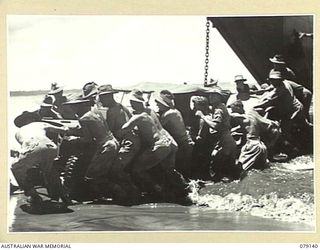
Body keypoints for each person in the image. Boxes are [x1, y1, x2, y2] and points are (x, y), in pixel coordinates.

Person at [119, 90, 189, 202]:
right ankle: (187, 190)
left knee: (137, 169)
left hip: (159, 146)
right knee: (169, 170)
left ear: (133, 103)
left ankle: (158, 191)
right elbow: (160, 128)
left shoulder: (138, 116)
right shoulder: (150, 112)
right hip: (170, 143)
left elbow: (122, 130)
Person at [62, 99, 123, 201]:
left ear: (78, 107)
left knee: (92, 175)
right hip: (112, 141)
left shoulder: (84, 118)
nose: (71, 109)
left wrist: (73, 139)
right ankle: (104, 193)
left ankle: (115, 192)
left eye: (73, 106)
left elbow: (88, 139)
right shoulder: (95, 111)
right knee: (102, 172)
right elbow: (98, 128)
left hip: (105, 146)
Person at [11, 112, 71, 209]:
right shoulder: (41, 124)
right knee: (48, 170)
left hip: (33, 147)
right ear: (33, 119)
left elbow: (25, 147)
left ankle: (33, 195)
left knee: (15, 168)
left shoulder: (18, 132)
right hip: (50, 147)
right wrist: (68, 129)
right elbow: (64, 130)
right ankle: (62, 195)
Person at [97, 84, 141, 203]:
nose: (100, 101)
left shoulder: (113, 111)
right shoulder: (121, 107)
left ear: (109, 97)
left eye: (101, 98)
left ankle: (132, 194)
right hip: (131, 141)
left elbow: (111, 131)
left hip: (128, 143)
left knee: (115, 169)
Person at [254, 70, 306, 157]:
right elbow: (271, 88)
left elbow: (267, 101)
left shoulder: (281, 89)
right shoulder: (282, 83)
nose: (272, 81)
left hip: (293, 111)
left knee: (285, 131)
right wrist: (260, 91)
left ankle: (292, 151)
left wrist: (254, 107)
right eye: (271, 80)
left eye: (274, 80)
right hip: (292, 108)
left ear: (279, 80)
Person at [195, 87, 239, 181]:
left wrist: (202, 116)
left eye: (214, 95)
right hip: (227, 141)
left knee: (218, 168)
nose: (211, 97)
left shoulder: (219, 109)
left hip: (226, 143)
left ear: (219, 98)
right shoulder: (220, 106)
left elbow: (215, 126)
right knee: (227, 168)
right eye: (210, 95)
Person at [155, 90, 194, 178]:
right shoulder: (175, 111)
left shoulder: (169, 114)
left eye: (158, 103)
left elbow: (157, 126)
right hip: (186, 143)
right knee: (185, 171)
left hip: (183, 145)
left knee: (181, 171)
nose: (157, 105)